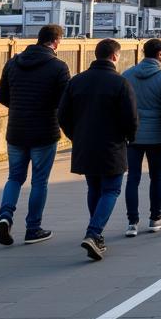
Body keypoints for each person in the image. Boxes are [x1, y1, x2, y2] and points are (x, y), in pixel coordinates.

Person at [58, 38, 140, 261]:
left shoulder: (77, 81)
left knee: (93, 187)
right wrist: (129, 137)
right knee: (111, 189)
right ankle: (94, 233)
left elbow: (62, 114)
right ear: (115, 56)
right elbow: (131, 118)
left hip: (85, 144)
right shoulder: (120, 83)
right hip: (112, 144)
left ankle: (96, 233)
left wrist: (75, 135)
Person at [0, 23, 71, 246]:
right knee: (39, 181)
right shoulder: (58, 67)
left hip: (16, 130)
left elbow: (1, 96)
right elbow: (64, 103)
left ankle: (5, 216)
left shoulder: (13, 62)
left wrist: (20, 107)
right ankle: (33, 228)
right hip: (44, 131)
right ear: (56, 41)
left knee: (14, 177)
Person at [122, 38, 161, 236]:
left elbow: (123, 106)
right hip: (156, 135)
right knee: (156, 176)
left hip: (133, 135)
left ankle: (132, 222)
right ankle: (155, 217)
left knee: (132, 178)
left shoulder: (127, 75)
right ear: (160, 54)